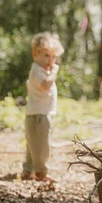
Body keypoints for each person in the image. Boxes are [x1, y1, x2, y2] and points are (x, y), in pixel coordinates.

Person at [21, 32, 64, 182]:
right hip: (39, 115)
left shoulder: (42, 70)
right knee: (42, 146)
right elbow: (46, 85)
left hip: (40, 113)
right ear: (35, 54)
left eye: (53, 57)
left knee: (33, 145)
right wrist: (54, 72)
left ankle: (27, 171)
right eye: (46, 55)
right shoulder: (37, 71)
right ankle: (41, 172)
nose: (50, 60)